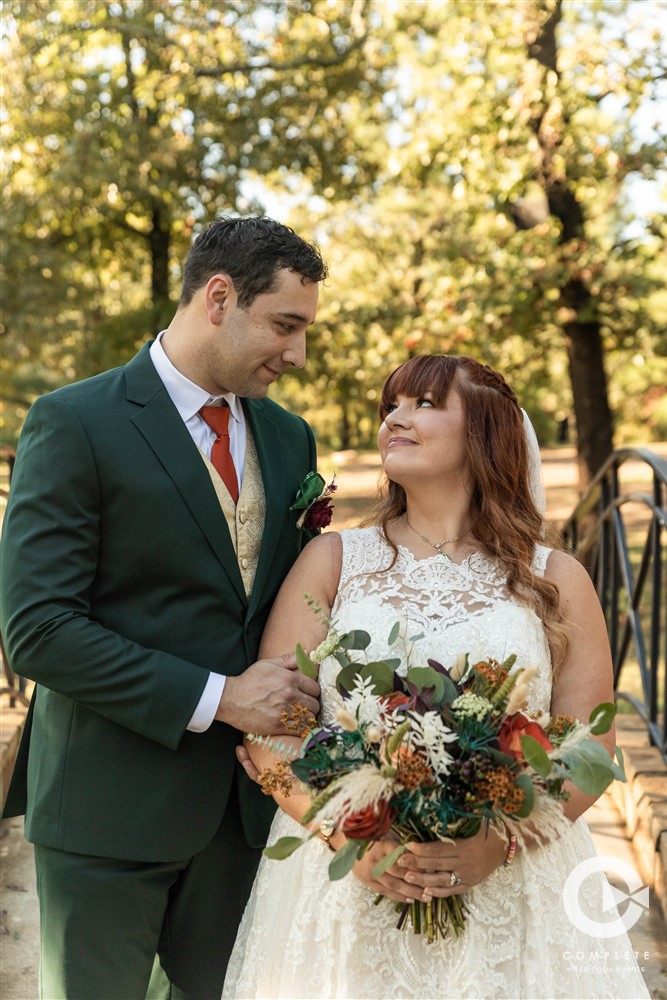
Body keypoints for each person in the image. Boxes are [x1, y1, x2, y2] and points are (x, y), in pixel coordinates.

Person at [223, 354, 649, 1000]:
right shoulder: (333, 561)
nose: (395, 418)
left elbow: (591, 748)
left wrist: (498, 843)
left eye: (423, 404)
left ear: (485, 431)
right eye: (390, 405)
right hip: (346, 889)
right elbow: (270, 738)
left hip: (511, 891)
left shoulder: (555, 577)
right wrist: (346, 835)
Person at [0, 216, 328, 999]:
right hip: (108, 807)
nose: (297, 354)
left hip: (247, 812)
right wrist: (221, 699)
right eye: (285, 325)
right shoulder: (75, 422)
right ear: (219, 298)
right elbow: (37, 631)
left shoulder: (290, 440)